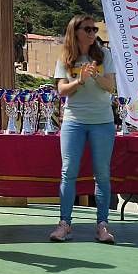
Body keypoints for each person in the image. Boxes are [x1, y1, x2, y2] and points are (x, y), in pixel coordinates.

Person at [49, 15, 118, 244]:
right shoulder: (66, 57)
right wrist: (79, 80)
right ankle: (64, 223)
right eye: (87, 29)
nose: (92, 33)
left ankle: (102, 224)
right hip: (74, 121)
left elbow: (111, 87)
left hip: (102, 121)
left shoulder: (104, 55)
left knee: (102, 174)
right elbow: (61, 90)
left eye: (94, 29)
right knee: (68, 172)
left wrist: (95, 75)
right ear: (75, 31)